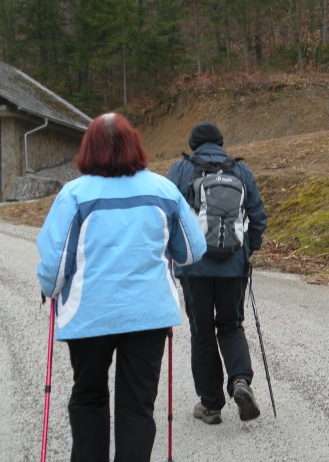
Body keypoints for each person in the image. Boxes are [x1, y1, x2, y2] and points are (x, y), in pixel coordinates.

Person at [37, 113, 207, 462]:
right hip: (148, 315)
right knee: (137, 405)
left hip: (89, 316)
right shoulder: (163, 190)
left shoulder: (75, 195)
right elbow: (192, 251)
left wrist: (49, 289)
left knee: (88, 396)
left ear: (89, 149)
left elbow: (54, 271)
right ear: (135, 146)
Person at [167, 121, 267, 424]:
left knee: (202, 333)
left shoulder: (181, 170)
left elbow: (167, 216)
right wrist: (247, 249)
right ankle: (240, 382)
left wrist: (174, 254)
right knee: (231, 325)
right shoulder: (240, 171)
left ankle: (210, 406)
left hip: (194, 268)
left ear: (193, 144)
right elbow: (258, 216)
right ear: (221, 144)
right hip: (233, 266)